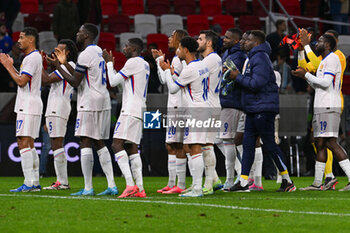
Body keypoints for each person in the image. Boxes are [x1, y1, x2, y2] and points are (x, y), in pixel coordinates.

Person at [51, 23, 118, 196]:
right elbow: (82, 75)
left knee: (85, 141)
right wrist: (65, 63)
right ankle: (112, 185)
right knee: (99, 143)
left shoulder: (85, 54)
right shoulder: (98, 51)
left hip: (89, 102)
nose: (77, 34)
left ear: (87, 35)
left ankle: (88, 187)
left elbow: (75, 82)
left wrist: (59, 66)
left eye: (80, 32)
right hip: (103, 99)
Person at [227, 30, 296, 192]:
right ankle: (244, 181)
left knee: (270, 145)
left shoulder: (261, 58)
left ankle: (287, 180)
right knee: (248, 144)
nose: (243, 42)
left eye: (248, 40)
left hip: (263, 108)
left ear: (256, 43)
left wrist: (237, 77)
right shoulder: (254, 57)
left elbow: (256, 83)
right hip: (253, 107)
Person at [293, 34, 350, 191]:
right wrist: (301, 54)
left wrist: (306, 75)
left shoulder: (332, 59)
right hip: (321, 105)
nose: (317, 43)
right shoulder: (323, 61)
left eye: (320, 41)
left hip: (329, 105)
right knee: (320, 143)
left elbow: (325, 83)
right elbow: (315, 81)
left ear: (328, 45)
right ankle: (318, 183)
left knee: (331, 141)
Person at [160, 36, 210, 197]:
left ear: (186, 50)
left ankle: (197, 188)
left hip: (196, 110)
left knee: (195, 148)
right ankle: (195, 186)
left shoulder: (190, 69)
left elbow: (174, 89)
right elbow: (186, 83)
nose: (178, 51)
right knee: (189, 147)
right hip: (202, 108)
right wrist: (174, 74)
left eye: (180, 48)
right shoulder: (202, 65)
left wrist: (167, 71)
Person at [103, 38, 150, 198]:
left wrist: (109, 63)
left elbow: (113, 81)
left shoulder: (133, 62)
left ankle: (130, 185)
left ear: (134, 48)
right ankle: (140, 188)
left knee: (116, 144)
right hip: (140, 108)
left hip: (130, 110)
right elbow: (124, 85)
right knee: (132, 147)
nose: (123, 49)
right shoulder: (144, 64)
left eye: (126, 46)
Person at [0, 27, 43, 192]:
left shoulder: (32, 58)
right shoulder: (32, 57)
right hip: (31, 103)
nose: (18, 41)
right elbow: (24, 79)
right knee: (29, 143)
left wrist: (7, 66)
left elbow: (21, 82)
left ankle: (28, 183)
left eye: (22, 37)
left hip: (28, 105)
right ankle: (35, 182)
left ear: (31, 40)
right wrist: (13, 67)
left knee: (23, 142)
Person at [153, 29, 189, 194]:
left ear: (179, 40)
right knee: (170, 145)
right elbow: (164, 80)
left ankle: (180, 185)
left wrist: (169, 70)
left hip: (179, 105)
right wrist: (160, 62)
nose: (169, 38)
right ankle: (171, 183)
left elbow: (176, 83)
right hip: (174, 105)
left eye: (172, 36)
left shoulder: (180, 60)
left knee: (177, 144)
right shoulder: (175, 58)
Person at [42, 39, 78, 190]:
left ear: (67, 53)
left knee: (56, 143)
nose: (55, 52)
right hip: (55, 107)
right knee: (55, 143)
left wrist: (37, 64)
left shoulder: (69, 67)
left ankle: (62, 182)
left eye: (59, 50)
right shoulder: (62, 67)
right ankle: (61, 181)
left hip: (58, 108)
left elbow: (46, 80)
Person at [218, 28, 247, 190]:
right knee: (220, 139)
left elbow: (228, 77)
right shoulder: (228, 53)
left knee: (228, 140)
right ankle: (238, 174)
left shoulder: (237, 56)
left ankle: (232, 178)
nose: (224, 39)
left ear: (236, 41)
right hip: (225, 102)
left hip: (232, 102)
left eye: (228, 37)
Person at [197, 30, 223, 195]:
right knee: (202, 145)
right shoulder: (210, 59)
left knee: (206, 145)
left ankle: (207, 184)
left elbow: (194, 74)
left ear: (209, 43)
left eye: (200, 39)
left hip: (209, 106)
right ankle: (215, 180)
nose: (197, 41)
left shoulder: (212, 59)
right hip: (209, 105)